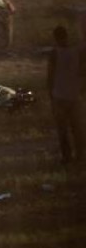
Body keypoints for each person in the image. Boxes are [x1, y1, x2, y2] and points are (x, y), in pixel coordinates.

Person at [48, 26, 84, 164]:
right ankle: (80, 156)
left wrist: (50, 94)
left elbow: (50, 76)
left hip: (59, 96)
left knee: (63, 131)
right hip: (75, 97)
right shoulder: (78, 52)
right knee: (78, 130)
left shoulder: (54, 53)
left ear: (55, 38)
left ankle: (67, 157)